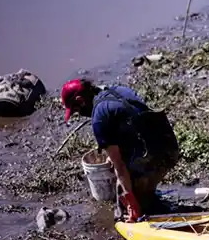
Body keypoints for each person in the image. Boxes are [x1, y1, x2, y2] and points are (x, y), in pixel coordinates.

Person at [61, 79, 180, 222]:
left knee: (123, 198)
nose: (79, 114)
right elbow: (132, 119)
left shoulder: (99, 119)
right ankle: (147, 193)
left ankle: (150, 214)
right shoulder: (117, 90)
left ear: (80, 100)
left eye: (76, 110)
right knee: (136, 187)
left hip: (154, 158)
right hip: (169, 146)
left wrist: (130, 200)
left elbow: (120, 167)